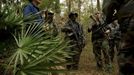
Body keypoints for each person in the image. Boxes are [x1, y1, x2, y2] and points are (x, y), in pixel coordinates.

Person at [103, 0, 134, 74]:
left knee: (126, 58)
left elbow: (108, 7)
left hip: (129, 19)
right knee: (112, 51)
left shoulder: (116, 24)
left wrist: (108, 18)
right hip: (112, 39)